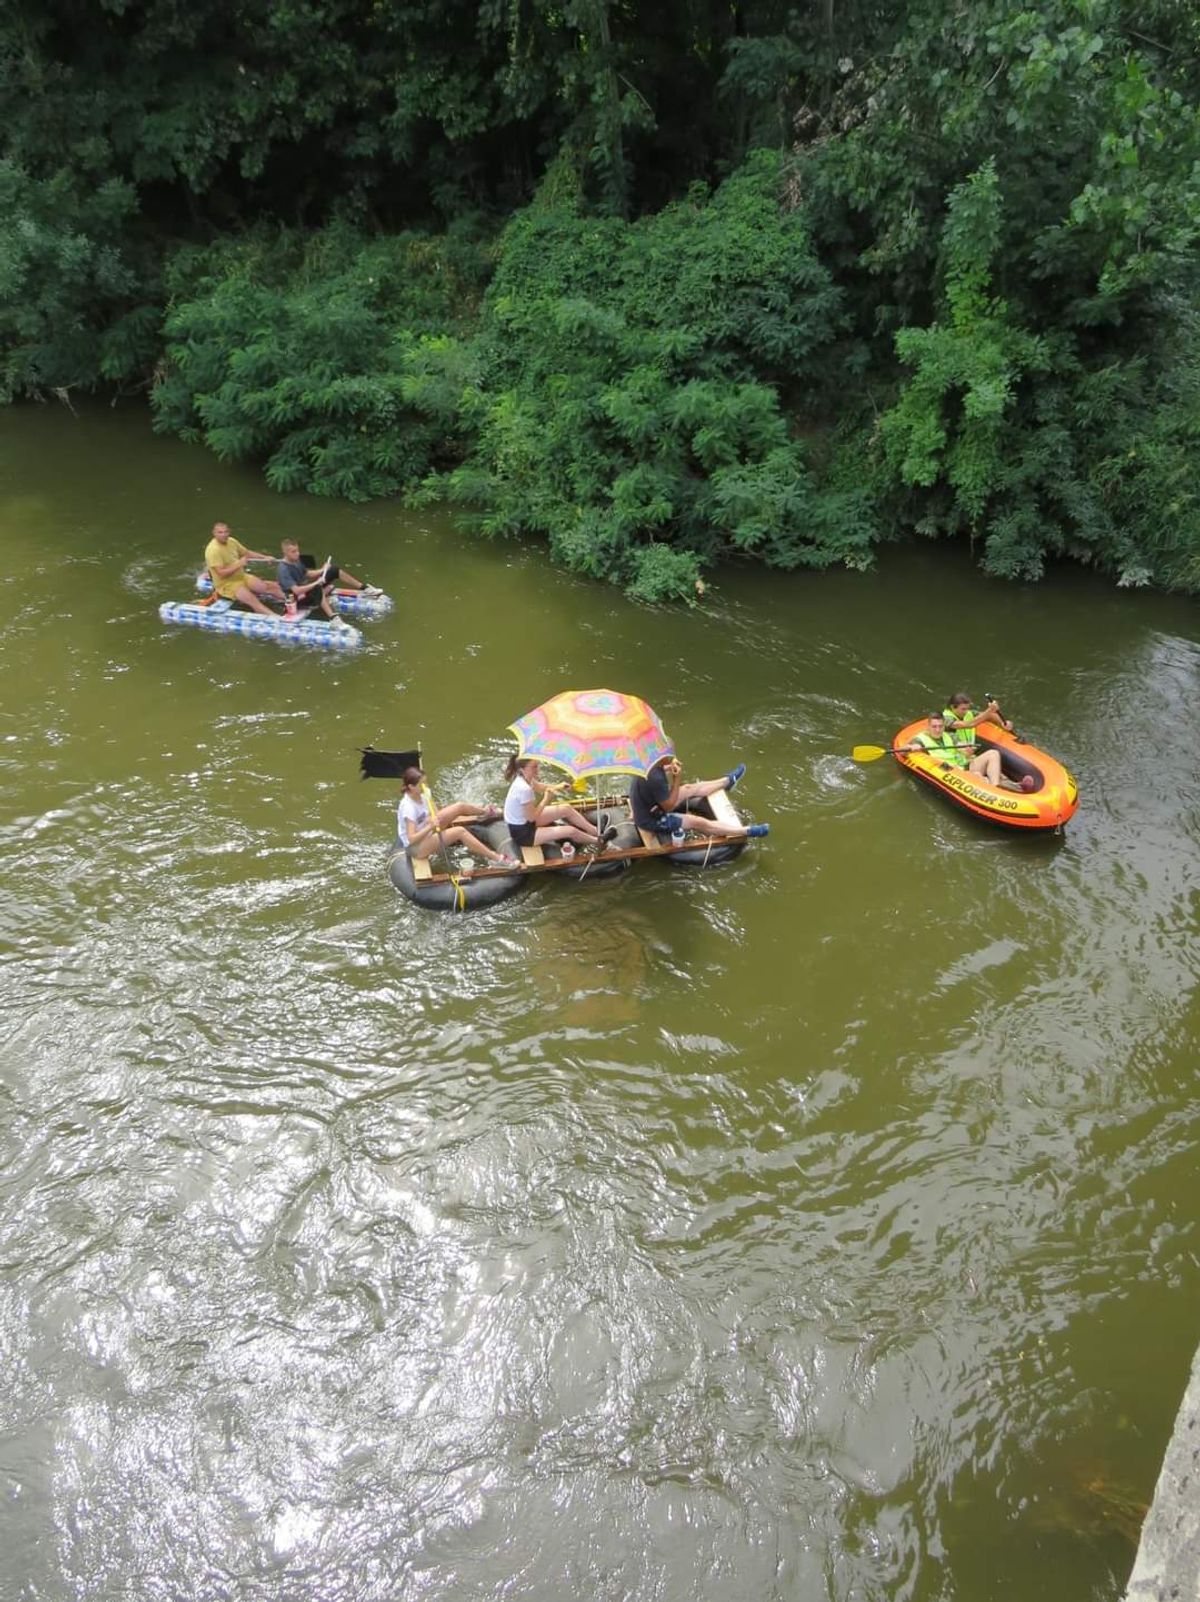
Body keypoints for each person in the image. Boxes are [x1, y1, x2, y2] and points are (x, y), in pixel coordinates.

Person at [397, 766, 518, 872]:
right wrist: (430, 826)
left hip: (428, 829)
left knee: (459, 806)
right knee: (460, 831)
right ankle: (497, 859)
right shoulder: (409, 808)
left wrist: (431, 808)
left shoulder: (422, 794)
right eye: (421, 784)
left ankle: (486, 812)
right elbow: (411, 839)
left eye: (425, 783)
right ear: (411, 787)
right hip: (417, 846)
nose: (425, 786)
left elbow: (435, 813)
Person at [629, 756, 769, 843]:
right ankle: (746, 831)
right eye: (670, 755)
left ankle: (727, 781)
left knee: (689, 788)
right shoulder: (655, 779)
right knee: (698, 822)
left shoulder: (649, 764)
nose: (673, 757)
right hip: (650, 819)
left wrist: (668, 767)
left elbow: (659, 773)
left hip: (649, 805)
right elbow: (669, 806)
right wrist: (677, 778)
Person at [502, 757, 619, 854]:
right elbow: (531, 817)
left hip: (525, 821)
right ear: (522, 769)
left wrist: (558, 786)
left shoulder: (525, 778)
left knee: (566, 808)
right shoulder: (524, 789)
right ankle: (599, 841)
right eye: (534, 767)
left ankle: (595, 830)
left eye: (537, 766)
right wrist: (545, 800)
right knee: (571, 831)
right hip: (523, 833)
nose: (537, 770)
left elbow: (540, 787)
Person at [204, 522, 289, 617]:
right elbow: (221, 573)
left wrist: (265, 557)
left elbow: (247, 553)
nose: (224, 535)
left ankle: (294, 602)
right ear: (214, 533)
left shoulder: (231, 541)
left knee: (268, 587)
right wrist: (239, 564)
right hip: (227, 584)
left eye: (226, 532)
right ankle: (276, 618)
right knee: (253, 600)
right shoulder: (213, 550)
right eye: (220, 532)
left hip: (241, 577)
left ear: (229, 532)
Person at [901, 711, 1007, 786]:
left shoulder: (949, 736)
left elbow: (961, 747)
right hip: (951, 773)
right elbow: (902, 751)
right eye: (934, 727)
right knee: (977, 776)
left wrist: (967, 750)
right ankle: (994, 783)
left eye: (940, 726)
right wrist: (911, 747)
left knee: (993, 753)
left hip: (963, 766)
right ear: (928, 727)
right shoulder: (920, 739)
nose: (938, 730)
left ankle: (995, 786)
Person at [276, 540, 382, 611]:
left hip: (307, 590)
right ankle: (333, 617)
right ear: (285, 552)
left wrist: (323, 570)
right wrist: (316, 583)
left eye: (297, 550)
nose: (297, 553)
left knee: (333, 569)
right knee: (317, 587)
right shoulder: (283, 569)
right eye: (293, 552)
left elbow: (308, 574)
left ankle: (365, 588)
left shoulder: (297, 560)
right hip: (296, 599)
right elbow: (297, 591)